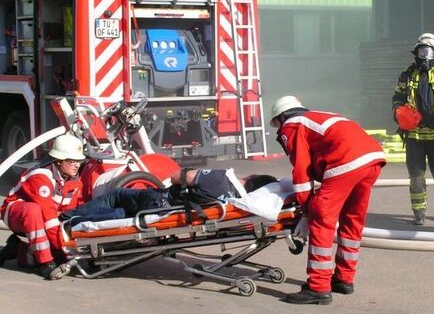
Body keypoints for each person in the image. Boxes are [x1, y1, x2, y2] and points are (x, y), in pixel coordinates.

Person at [270, 95, 386, 305]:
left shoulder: (292, 125)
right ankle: (344, 279)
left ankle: (318, 288)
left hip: (346, 160)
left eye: (276, 123)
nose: (278, 129)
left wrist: (306, 211)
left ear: (282, 116)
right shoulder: (319, 116)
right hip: (372, 159)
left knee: (320, 215)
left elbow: (302, 173)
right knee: (352, 220)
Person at [392, 33, 434, 226]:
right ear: (416, 53)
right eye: (421, 51)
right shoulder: (407, 74)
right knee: (416, 175)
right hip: (414, 133)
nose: (424, 55)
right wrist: (399, 113)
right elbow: (397, 98)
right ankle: (419, 212)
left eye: (428, 51)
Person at [0, 134, 87, 280]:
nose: (77, 165)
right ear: (59, 161)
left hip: (46, 217)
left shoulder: (73, 179)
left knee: (61, 256)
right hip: (16, 212)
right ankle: (45, 263)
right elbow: (49, 219)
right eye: (72, 161)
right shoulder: (41, 177)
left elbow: (69, 213)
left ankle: (19, 248)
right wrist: (64, 247)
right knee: (34, 212)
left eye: (79, 161)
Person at [60, 169, 278, 225]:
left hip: (160, 202)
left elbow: (178, 177)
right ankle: (79, 222)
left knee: (115, 195)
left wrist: (179, 177)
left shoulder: (222, 179)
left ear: (252, 177)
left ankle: (68, 217)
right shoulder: (239, 202)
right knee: (122, 213)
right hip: (173, 213)